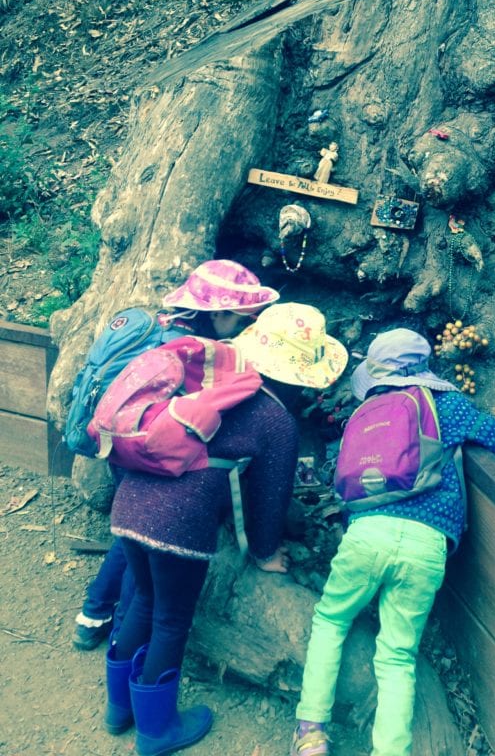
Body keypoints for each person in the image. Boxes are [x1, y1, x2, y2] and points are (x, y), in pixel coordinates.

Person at [102, 301, 348, 756]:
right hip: (176, 525)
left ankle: (119, 709)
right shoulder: (276, 418)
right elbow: (268, 500)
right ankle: (156, 732)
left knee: (142, 598)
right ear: (300, 374)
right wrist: (265, 552)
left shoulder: (214, 378)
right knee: (171, 620)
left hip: (130, 503)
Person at [289, 327, 495, 756]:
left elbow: (338, 475)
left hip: (365, 535)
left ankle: (310, 733)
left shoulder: (364, 414)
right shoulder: (444, 404)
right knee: (397, 655)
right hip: (426, 543)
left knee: (332, 620)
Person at [72, 259, 281, 651]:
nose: (244, 328)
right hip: (147, 450)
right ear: (218, 314)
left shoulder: (158, 327)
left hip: (116, 440)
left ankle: (93, 614)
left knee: (128, 534)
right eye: (241, 319)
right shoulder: (193, 353)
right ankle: (120, 635)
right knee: (145, 549)